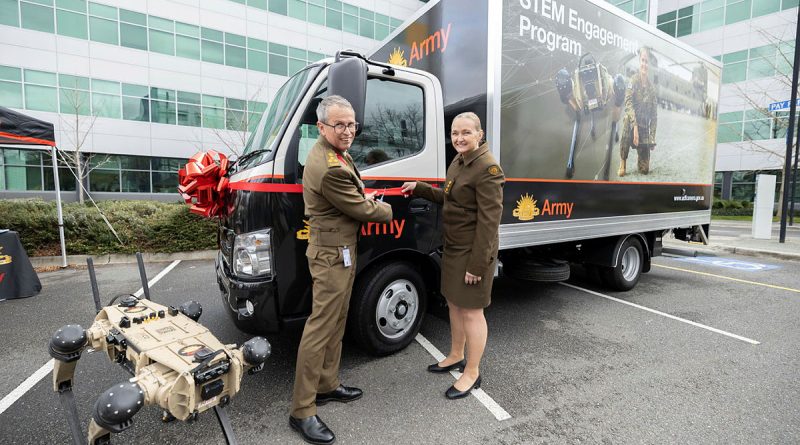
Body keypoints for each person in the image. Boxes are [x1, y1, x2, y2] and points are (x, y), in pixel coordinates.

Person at [290, 95, 392, 444]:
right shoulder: (329, 165)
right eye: (340, 125)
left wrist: (366, 200)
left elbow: (355, 196)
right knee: (320, 327)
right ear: (321, 127)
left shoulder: (335, 153)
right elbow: (360, 208)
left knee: (337, 319)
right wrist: (385, 209)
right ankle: (302, 410)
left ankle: (327, 384)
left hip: (340, 250)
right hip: (332, 253)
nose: (348, 131)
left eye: (351, 124)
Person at [400, 112, 504, 399]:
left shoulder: (487, 168)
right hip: (455, 248)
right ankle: (456, 355)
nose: (459, 138)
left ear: (479, 135)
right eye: (455, 132)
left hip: (473, 252)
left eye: (466, 133)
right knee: (455, 305)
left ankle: (472, 372)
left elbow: (488, 223)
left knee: (472, 312)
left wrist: (477, 265)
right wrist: (419, 188)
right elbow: (452, 199)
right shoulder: (459, 161)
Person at [619, 46, 658, 177]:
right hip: (632, 124)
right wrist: (634, 125)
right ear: (639, 61)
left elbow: (654, 116)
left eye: (647, 62)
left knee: (644, 170)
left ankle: (640, 157)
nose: (644, 64)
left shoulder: (652, 89)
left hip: (644, 128)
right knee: (626, 121)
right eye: (643, 60)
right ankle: (623, 161)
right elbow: (628, 103)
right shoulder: (633, 80)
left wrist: (652, 137)